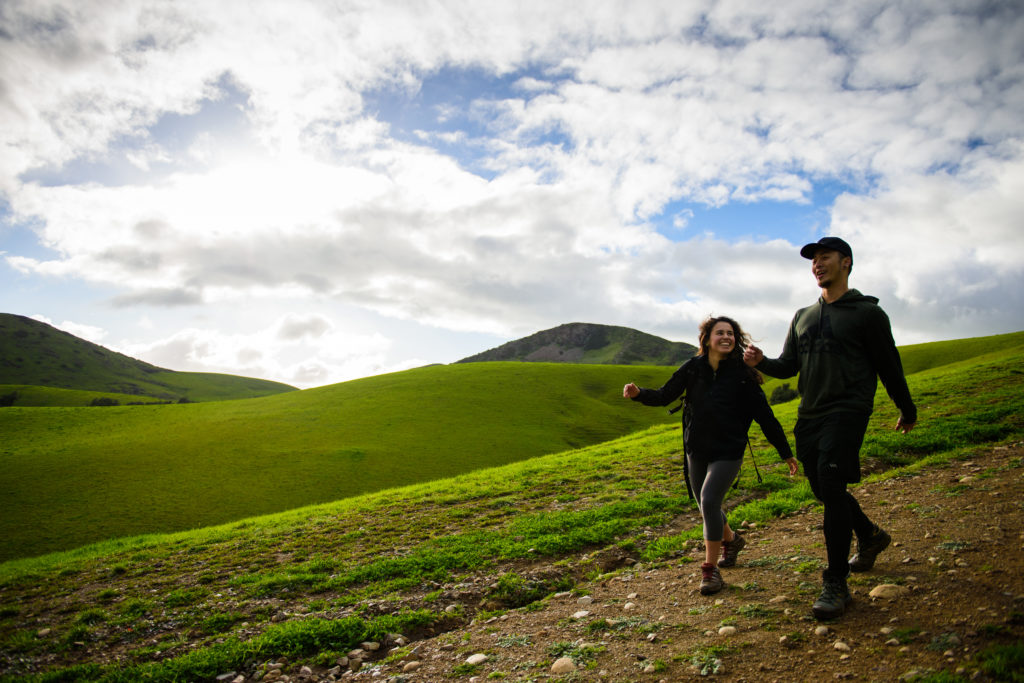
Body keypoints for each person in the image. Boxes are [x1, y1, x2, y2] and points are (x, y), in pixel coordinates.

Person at [743, 236, 917, 620]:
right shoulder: (803, 315)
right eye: (813, 260)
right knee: (823, 488)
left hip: (848, 410)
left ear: (846, 262)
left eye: (825, 258)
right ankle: (871, 535)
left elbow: (889, 365)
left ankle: (836, 581)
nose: (817, 265)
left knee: (832, 483)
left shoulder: (868, 314)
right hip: (810, 414)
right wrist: (762, 361)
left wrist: (906, 408)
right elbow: (789, 365)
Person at [624, 316, 798, 595]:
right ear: (707, 338)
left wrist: (786, 453)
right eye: (720, 333)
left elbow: (766, 417)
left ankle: (710, 570)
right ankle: (733, 540)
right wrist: (637, 394)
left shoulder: (744, 374)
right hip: (696, 448)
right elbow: (664, 395)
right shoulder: (692, 368)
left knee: (708, 500)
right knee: (706, 506)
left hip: (729, 451)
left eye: (731, 333)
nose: (726, 337)